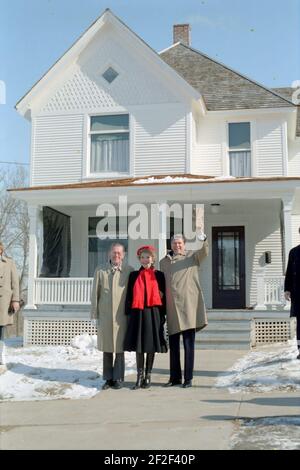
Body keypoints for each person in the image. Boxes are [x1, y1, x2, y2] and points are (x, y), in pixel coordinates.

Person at [160, 233, 209, 388]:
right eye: (174, 243)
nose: (177, 245)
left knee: (189, 345)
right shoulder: (163, 262)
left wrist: (204, 240)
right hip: (172, 308)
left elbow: (205, 252)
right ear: (171, 244)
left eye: (180, 243)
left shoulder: (192, 257)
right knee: (173, 346)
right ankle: (175, 378)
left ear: (184, 244)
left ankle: (188, 378)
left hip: (188, 306)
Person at [91, 243, 134, 389]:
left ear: (124, 255)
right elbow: (95, 294)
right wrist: (94, 313)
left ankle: (118, 378)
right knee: (107, 348)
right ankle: (108, 379)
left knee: (120, 349)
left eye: (119, 253)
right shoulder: (101, 270)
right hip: (106, 316)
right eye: (114, 252)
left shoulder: (129, 271)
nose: (116, 255)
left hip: (122, 316)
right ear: (109, 254)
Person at [124, 245, 167, 389]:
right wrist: (127, 314)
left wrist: (163, 314)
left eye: (147, 257)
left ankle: (148, 376)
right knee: (139, 346)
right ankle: (139, 376)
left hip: (153, 312)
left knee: (150, 345)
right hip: (138, 313)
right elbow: (128, 296)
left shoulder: (160, 275)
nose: (145, 259)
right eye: (142, 257)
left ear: (153, 258)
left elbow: (164, 297)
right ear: (139, 259)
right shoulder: (134, 275)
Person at [0, 241, 20, 366]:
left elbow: (15, 283)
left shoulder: (9, 263)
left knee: (0, 328)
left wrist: (16, 300)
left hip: (4, 301)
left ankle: (1, 354)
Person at [284, 230, 300, 360]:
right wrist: (287, 289)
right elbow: (289, 272)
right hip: (298, 294)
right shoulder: (294, 252)